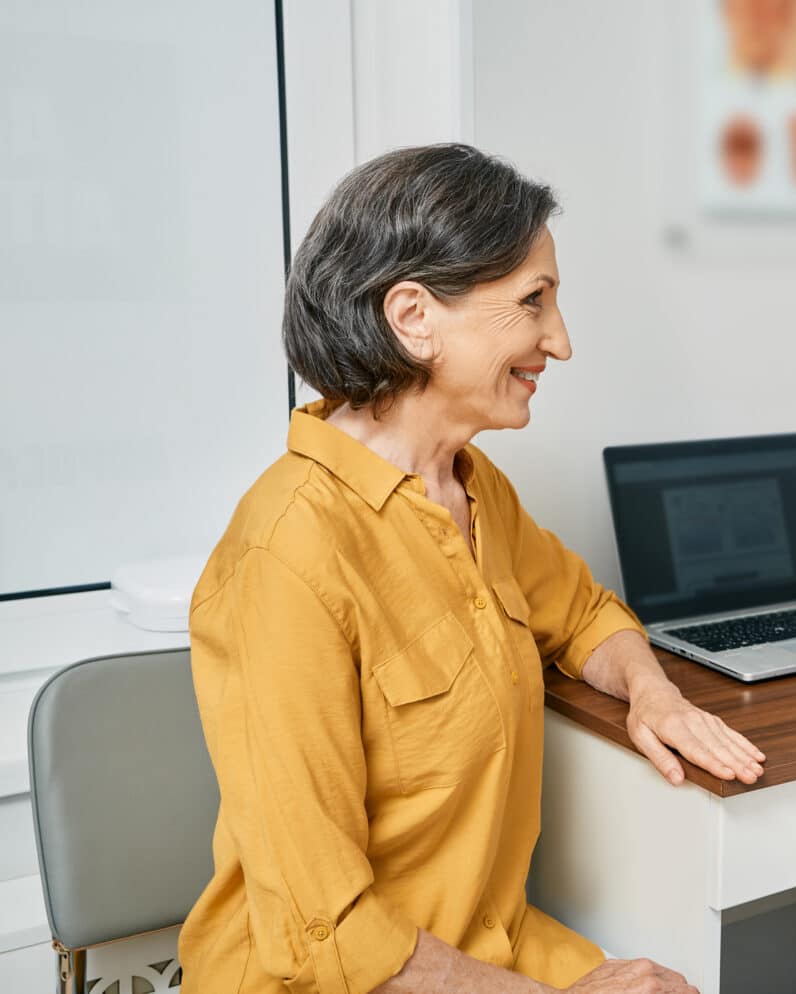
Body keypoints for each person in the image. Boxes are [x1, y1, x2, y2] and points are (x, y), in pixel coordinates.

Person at [179, 144, 765, 994]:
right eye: (534, 302)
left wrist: (652, 692)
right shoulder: (286, 555)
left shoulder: (472, 487)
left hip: (480, 943)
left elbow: (587, 613)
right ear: (413, 316)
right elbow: (327, 938)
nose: (559, 343)